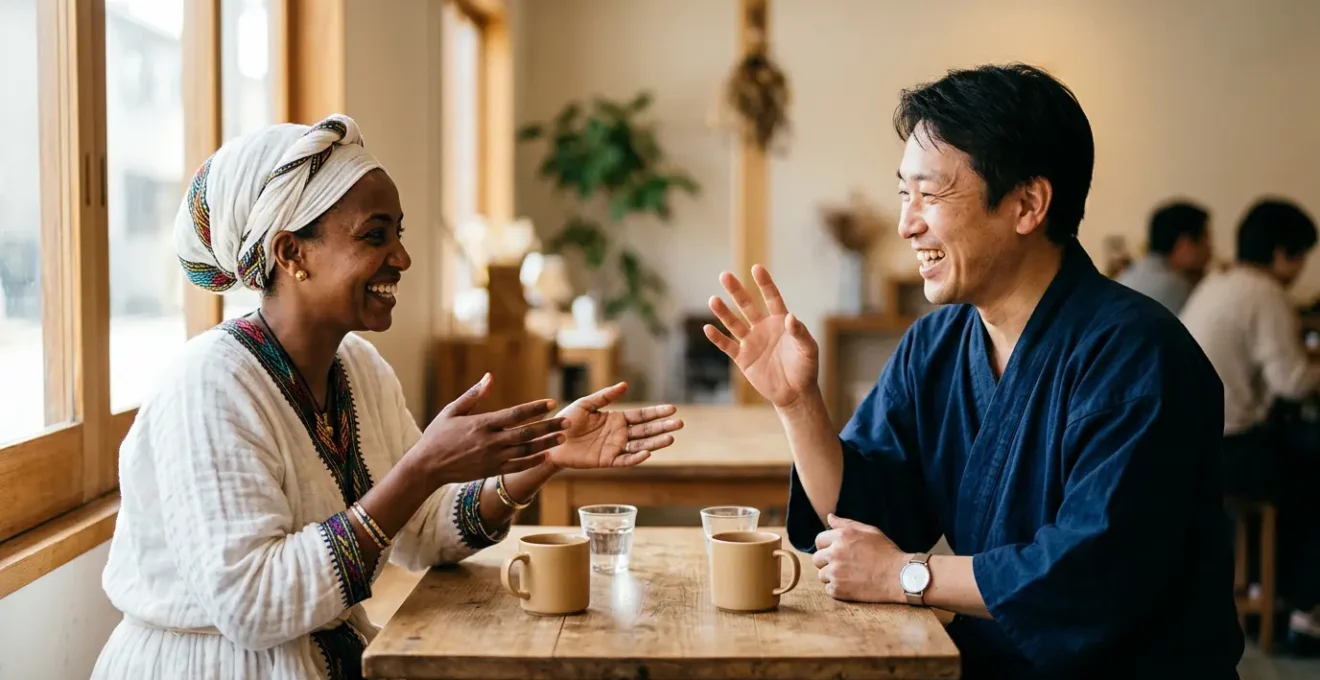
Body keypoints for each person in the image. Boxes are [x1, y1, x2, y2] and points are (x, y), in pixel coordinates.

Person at [91, 114, 685, 680]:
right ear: (290, 252)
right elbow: (254, 607)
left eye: (397, 234)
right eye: (375, 236)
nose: (401, 258)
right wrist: (424, 465)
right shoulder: (209, 386)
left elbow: (422, 531)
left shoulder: (358, 368)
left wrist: (541, 460)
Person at [704, 64, 1242, 678]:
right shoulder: (937, 342)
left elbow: (1093, 570)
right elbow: (862, 520)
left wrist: (905, 574)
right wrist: (798, 404)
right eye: (903, 193)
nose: (907, 223)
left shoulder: (1139, 354)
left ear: (1026, 205)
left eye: (930, 195)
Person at [1180, 198, 1320, 651]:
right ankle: (1304, 614)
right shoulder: (1266, 292)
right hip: (1231, 449)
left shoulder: (1217, 283)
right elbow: (1292, 382)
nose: (1299, 270)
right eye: (1301, 257)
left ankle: (1269, 590)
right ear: (1282, 253)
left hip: (1192, 444)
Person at [1116, 200, 1213, 313]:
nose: (1211, 250)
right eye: (1206, 241)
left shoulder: (1134, 271)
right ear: (1184, 245)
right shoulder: (1174, 286)